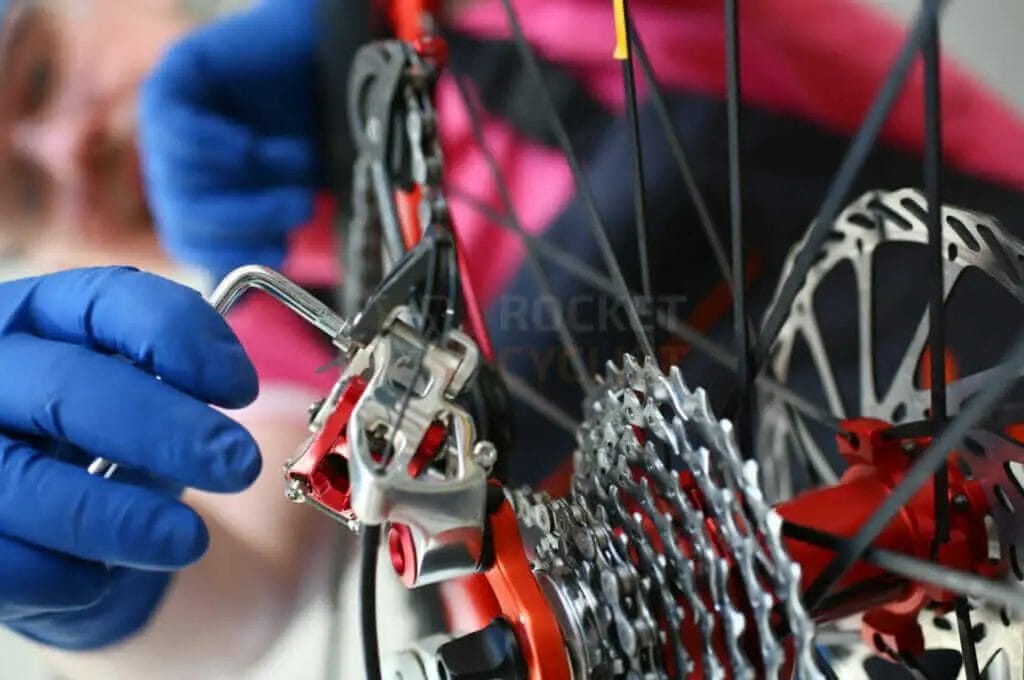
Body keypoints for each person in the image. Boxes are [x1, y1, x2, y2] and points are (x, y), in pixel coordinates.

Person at [3, 0, 1024, 678]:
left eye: (39, 74)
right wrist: (74, 582)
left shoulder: (515, 16)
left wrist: (349, 26)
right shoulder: (267, 323)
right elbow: (244, 594)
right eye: (21, 190)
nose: (71, 151)